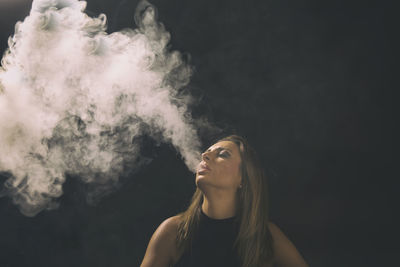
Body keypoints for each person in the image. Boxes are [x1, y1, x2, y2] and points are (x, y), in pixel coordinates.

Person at [140, 135, 309, 267]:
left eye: (222, 154)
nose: (205, 155)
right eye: (206, 152)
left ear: (243, 178)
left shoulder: (265, 236)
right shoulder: (172, 231)